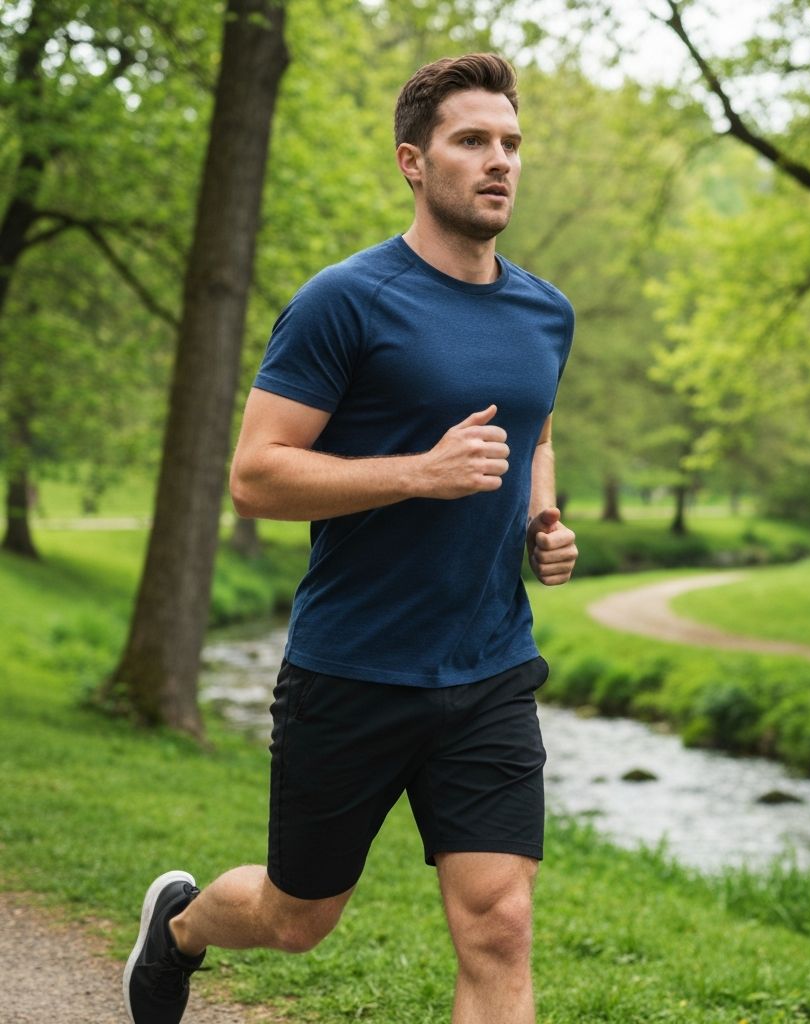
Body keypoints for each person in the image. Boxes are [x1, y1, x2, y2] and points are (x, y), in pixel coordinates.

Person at [122, 52, 576, 1024]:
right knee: (299, 916)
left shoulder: (546, 310)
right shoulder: (346, 301)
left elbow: (535, 425)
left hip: (489, 667)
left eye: (510, 143)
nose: (498, 161)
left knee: (499, 923)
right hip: (355, 667)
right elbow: (256, 474)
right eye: (471, 141)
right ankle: (179, 930)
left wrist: (544, 516)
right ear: (414, 160)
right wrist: (418, 471)